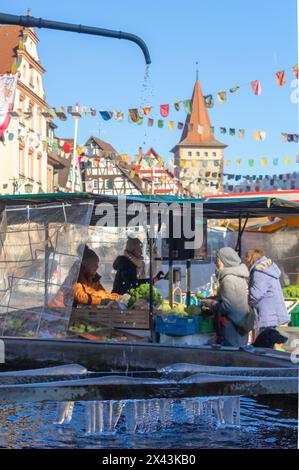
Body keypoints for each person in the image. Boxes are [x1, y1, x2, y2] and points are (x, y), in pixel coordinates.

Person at [202, 247, 251, 347]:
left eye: (218, 260)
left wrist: (211, 304)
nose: (216, 262)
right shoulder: (238, 276)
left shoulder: (228, 279)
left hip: (232, 329)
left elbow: (229, 307)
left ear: (225, 261)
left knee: (232, 356)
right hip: (240, 326)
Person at [50, 245, 121, 308]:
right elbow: (80, 296)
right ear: (86, 264)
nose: (97, 266)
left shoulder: (92, 277)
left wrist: (116, 297)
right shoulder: (76, 275)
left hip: (74, 311)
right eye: (95, 264)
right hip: (60, 310)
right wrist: (101, 301)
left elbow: (101, 292)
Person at [246, 249, 290, 334]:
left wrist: (247, 300)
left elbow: (255, 295)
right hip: (272, 312)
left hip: (265, 314)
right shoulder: (268, 269)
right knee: (270, 341)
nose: (246, 260)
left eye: (247, 257)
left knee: (264, 343)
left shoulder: (259, 271)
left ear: (252, 258)